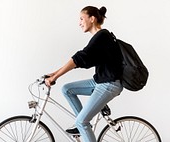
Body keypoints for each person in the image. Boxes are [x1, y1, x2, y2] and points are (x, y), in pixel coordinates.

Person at [45, 6, 123, 142]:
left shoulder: (102, 36)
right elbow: (83, 60)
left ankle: (81, 124)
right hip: (101, 81)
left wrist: (55, 76)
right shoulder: (100, 37)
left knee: (83, 122)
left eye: (81, 19)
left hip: (109, 85)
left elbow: (79, 58)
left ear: (92, 19)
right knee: (67, 89)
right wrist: (54, 73)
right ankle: (80, 125)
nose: (79, 23)